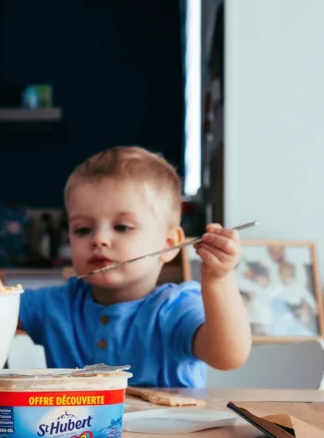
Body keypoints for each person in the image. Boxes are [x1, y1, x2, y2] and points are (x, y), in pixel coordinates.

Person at [17, 146, 251, 387]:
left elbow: (228, 357)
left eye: (122, 227)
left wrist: (219, 279)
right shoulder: (54, 305)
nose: (100, 239)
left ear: (169, 245)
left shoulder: (176, 308)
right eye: (83, 229)